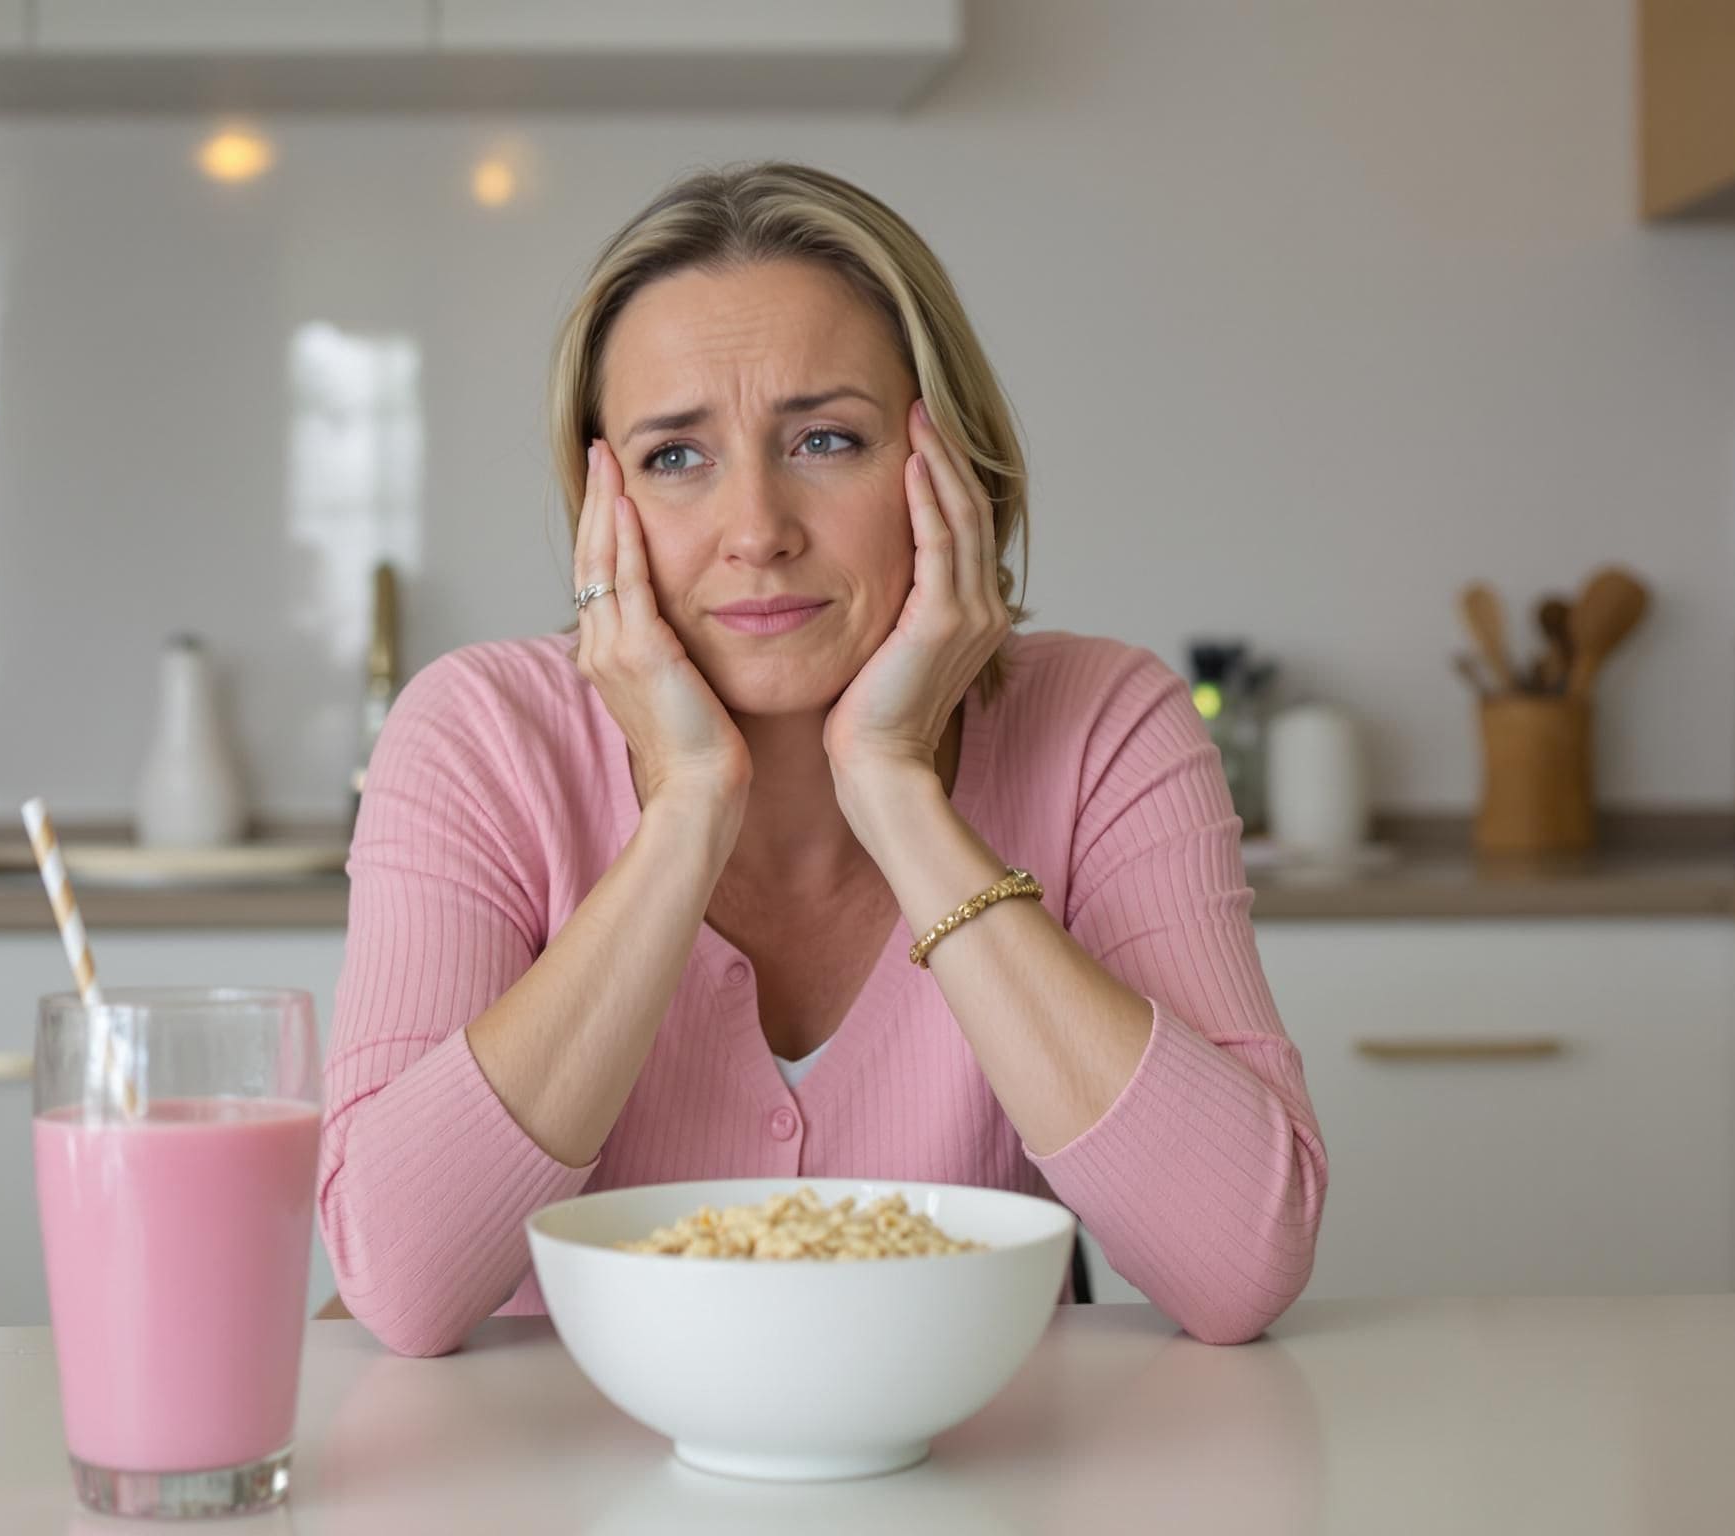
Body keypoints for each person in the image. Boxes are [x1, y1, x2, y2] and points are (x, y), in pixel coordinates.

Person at [318, 161, 1325, 1357]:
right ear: (603, 508)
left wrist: (900, 790)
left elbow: (1238, 1268)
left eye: (825, 439)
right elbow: (400, 1282)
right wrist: (687, 812)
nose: (756, 530)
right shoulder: (479, 737)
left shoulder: (1106, 725)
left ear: (948, 470)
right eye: (676, 458)